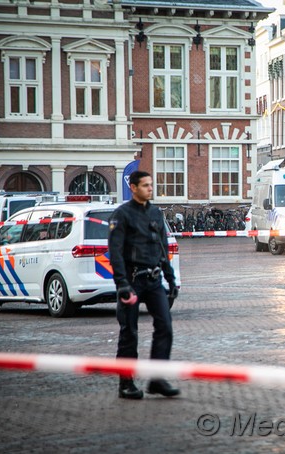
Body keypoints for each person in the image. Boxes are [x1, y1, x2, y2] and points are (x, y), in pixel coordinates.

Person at [108, 170, 180, 400]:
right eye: (146, 185)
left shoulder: (156, 213)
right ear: (134, 187)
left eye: (151, 185)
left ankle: (157, 379)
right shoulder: (122, 215)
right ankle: (126, 383)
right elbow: (115, 252)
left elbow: (162, 247)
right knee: (129, 332)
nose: (150, 189)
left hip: (154, 279)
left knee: (165, 327)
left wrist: (171, 279)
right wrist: (122, 284)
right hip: (132, 280)